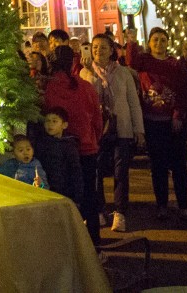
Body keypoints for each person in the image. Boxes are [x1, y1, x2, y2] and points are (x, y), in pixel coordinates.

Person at [127, 27, 187, 220]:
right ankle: (162, 205)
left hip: (172, 122)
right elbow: (131, 61)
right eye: (155, 40)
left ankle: (183, 206)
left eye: (163, 40)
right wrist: (131, 41)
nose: (159, 43)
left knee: (179, 166)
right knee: (158, 167)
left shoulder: (176, 64)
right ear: (149, 43)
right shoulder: (145, 62)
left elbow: (184, 90)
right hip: (152, 122)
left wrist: (178, 115)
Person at [81, 32, 143, 233]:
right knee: (96, 171)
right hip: (97, 129)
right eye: (95, 47)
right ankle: (99, 210)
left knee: (121, 171)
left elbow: (133, 102)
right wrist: (90, 72)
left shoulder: (124, 72)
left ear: (112, 50)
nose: (98, 50)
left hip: (122, 127)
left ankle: (120, 212)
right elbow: (88, 99)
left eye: (103, 47)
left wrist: (138, 129)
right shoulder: (85, 73)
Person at [42, 45, 103, 247]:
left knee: (63, 194)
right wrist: (94, 138)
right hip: (86, 147)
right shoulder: (85, 87)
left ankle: (66, 244)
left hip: (59, 150)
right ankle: (94, 242)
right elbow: (97, 119)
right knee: (88, 196)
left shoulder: (49, 88)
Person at [31, 107, 82, 204]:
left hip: (64, 190)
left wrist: (77, 196)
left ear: (64, 125)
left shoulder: (69, 145)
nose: (50, 124)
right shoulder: (41, 143)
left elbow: (75, 171)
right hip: (45, 189)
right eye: (47, 121)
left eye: (54, 121)